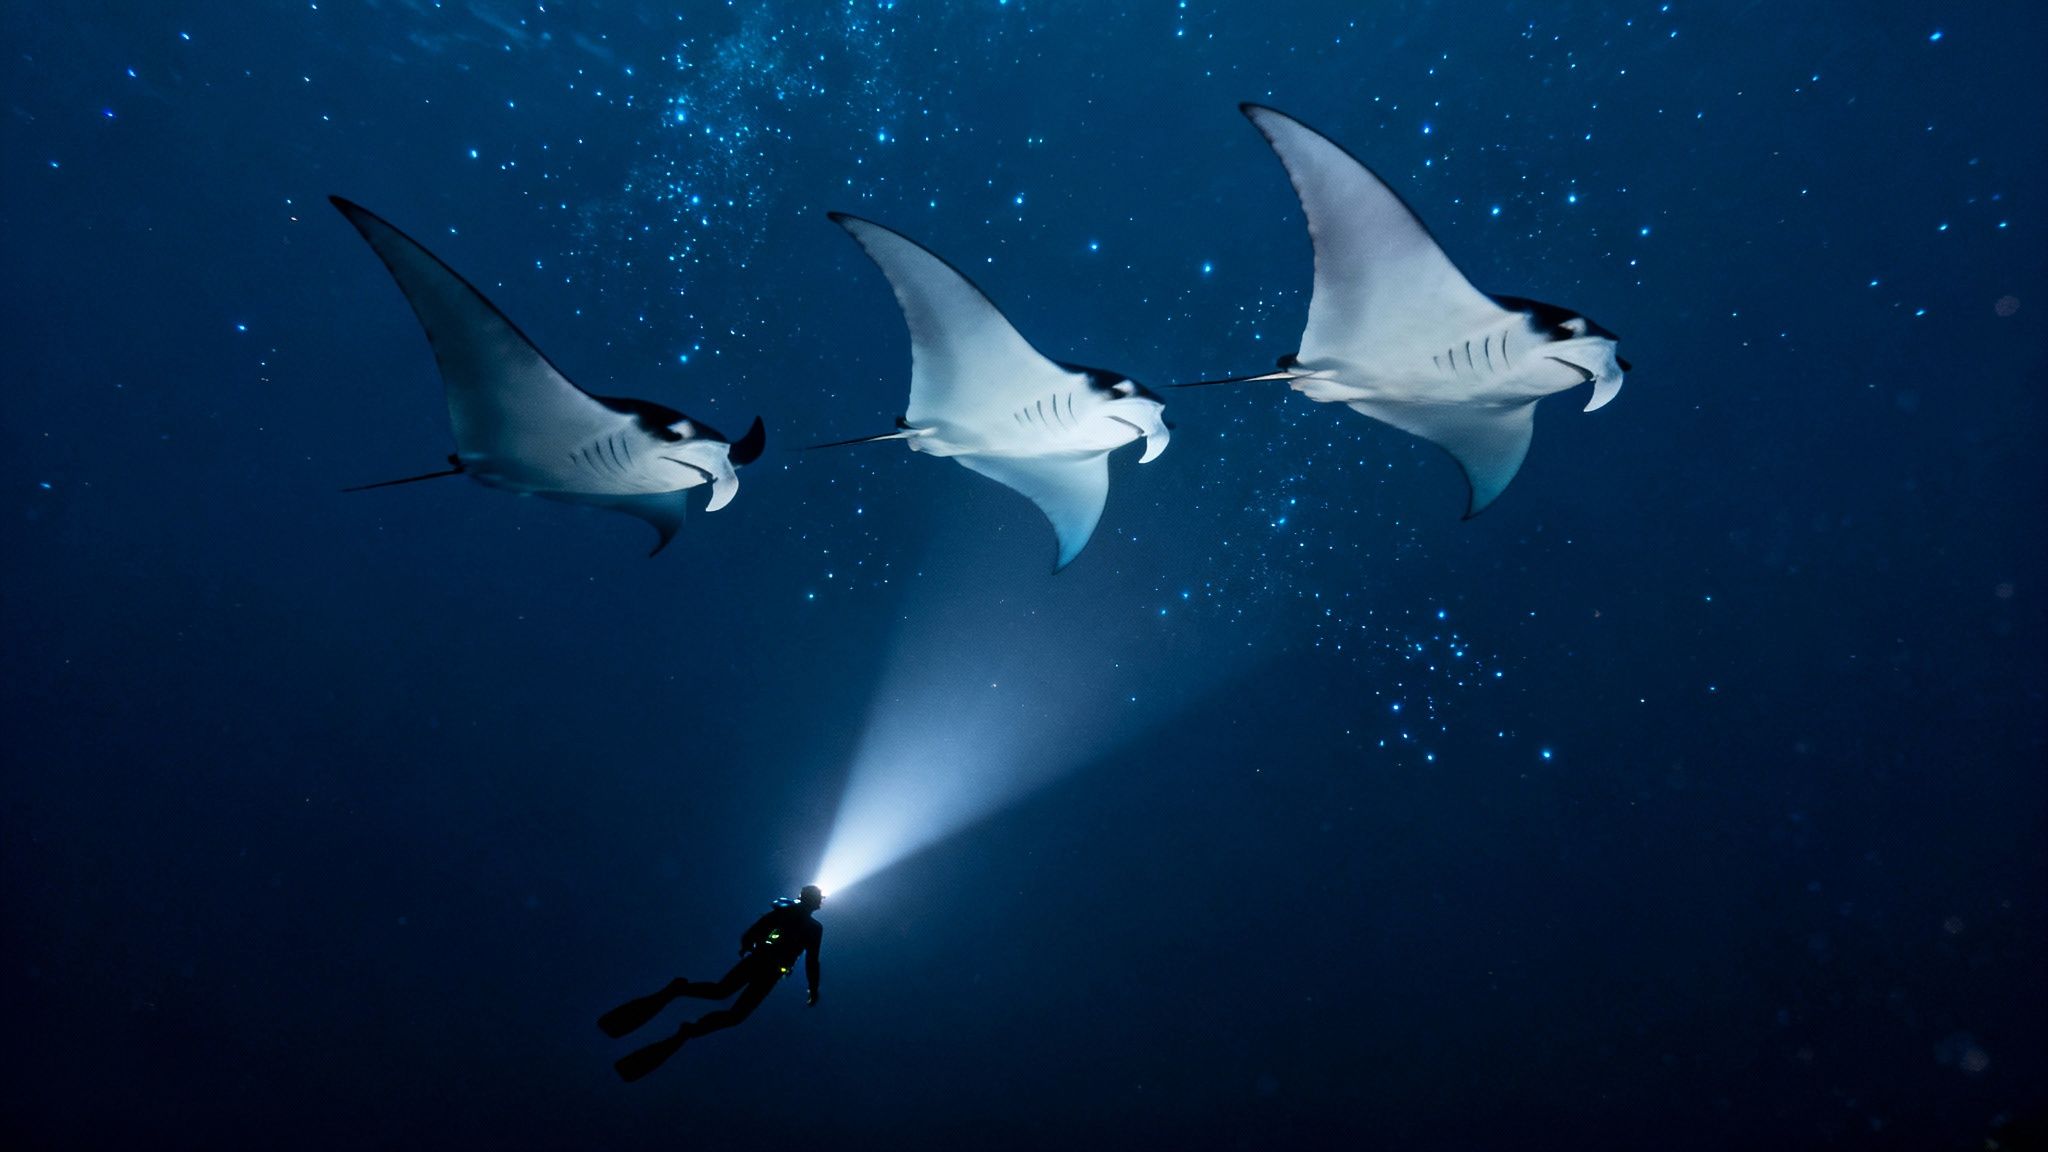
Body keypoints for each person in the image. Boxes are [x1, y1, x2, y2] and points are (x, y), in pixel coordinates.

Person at [601, 885, 824, 1082]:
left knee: (721, 994)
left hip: (760, 964)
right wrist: (813, 989)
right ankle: (687, 1021)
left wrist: (747, 945)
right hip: (766, 969)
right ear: (813, 901)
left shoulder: (787, 913)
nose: (821, 902)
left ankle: (681, 1002)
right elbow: (811, 961)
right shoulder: (812, 927)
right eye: (819, 898)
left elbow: (756, 930)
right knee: (731, 1008)